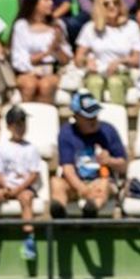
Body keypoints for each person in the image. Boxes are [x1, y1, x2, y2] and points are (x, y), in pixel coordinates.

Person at [0, 107, 43, 263]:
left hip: (25, 187)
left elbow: (33, 174)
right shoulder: (1, 147)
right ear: (9, 126)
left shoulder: (31, 149)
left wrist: (19, 188)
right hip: (6, 186)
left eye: (23, 123)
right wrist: (5, 186)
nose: (20, 127)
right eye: (17, 124)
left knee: (26, 199)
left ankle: (29, 239)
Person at [51, 90, 126, 218]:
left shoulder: (108, 131)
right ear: (76, 116)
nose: (93, 119)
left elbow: (123, 166)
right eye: (88, 116)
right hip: (76, 184)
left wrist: (109, 161)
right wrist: (83, 189)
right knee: (56, 182)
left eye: (95, 115)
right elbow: (67, 169)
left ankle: (90, 212)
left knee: (103, 185)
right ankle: (60, 217)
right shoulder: (66, 133)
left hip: (101, 182)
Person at [74, 0, 140, 104]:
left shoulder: (131, 27)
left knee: (115, 82)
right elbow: (78, 58)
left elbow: (137, 59)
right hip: (97, 73)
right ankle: (93, 119)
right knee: (95, 82)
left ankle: (117, 120)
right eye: (106, 4)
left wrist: (120, 61)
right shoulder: (90, 28)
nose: (112, 6)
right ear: (99, 7)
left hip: (122, 73)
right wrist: (87, 61)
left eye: (115, 2)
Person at [10, 0, 67, 103]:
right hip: (27, 71)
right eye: (46, 0)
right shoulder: (21, 26)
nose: (51, 3)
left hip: (51, 71)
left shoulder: (58, 26)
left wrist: (57, 47)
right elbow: (19, 59)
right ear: (34, 4)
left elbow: (66, 60)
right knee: (30, 85)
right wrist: (47, 53)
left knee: (45, 86)